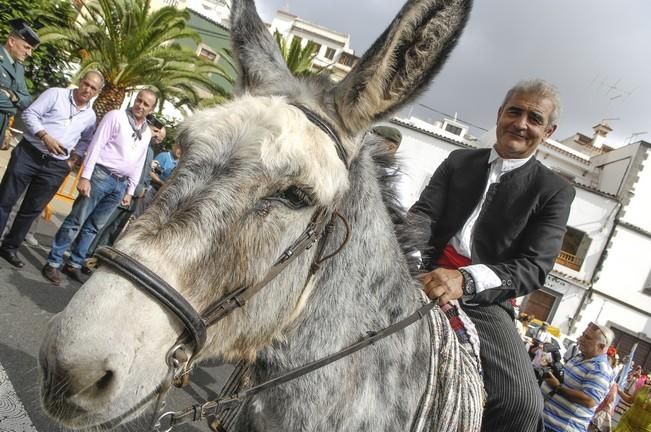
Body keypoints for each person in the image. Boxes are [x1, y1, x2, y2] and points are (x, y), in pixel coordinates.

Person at [409, 79, 575, 432]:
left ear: (548, 132)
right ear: (500, 114)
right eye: (514, 111)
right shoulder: (458, 161)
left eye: (535, 118)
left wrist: (464, 280)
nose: (521, 123)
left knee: (523, 406)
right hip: (419, 273)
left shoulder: (554, 191)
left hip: (484, 300)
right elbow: (423, 214)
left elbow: (535, 266)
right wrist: (411, 261)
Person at [41, 89, 156, 285]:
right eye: (139, 100)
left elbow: (138, 162)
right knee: (76, 220)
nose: (140, 106)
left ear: (151, 109)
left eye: (146, 104)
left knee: (93, 227)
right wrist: (85, 176)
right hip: (100, 176)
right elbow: (96, 145)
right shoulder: (116, 116)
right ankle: (53, 261)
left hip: (120, 185)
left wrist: (130, 191)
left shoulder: (146, 132)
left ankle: (75, 263)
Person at [0, 71, 103, 267]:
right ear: (80, 81)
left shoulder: (90, 117)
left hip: (56, 166)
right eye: (86, 83)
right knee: (5, 199)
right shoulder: (55, 94)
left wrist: (72, 160)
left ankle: (9, 247)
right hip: (29, 154)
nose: (87, 89)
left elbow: (86, 141)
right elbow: (29, 113)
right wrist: (44, 136)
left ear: (97, 92)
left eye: (93, 88)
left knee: (31, 209)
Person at [84, 117, 165, 262]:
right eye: (156, 131)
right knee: (102, 223)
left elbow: (144, 172)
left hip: (134, 197)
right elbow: (129, 167)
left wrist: (142, 189)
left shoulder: (150, 150)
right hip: (123, 189)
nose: (157, 136)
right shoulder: (138, 142)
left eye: (160, 135)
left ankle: (98, 256)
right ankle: (87, 252)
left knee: (114, 228)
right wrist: (133, 188)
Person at [542, 322, 615, 432]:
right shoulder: (579, 357)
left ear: (601, 346)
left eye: (587, 338)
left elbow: (589, 401)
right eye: (583, 334)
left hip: (560, 428)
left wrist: (557, 387)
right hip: (546, 422)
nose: (581, 338)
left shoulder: (600, 369)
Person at [0, 19, 39, 144]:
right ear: (12, 41)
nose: (30, 53)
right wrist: (14, 109)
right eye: (26, 47)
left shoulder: (19, 68)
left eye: (31, 49)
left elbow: (27, 100)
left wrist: (14, 96)